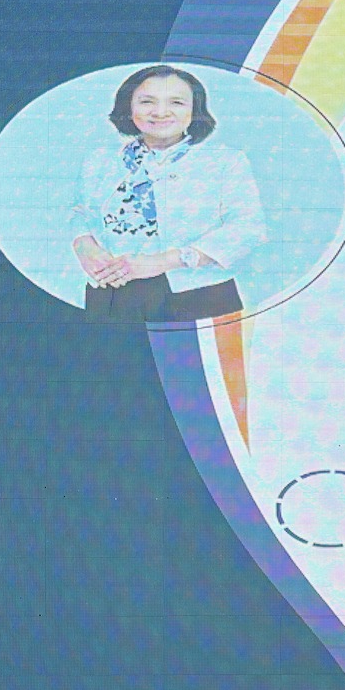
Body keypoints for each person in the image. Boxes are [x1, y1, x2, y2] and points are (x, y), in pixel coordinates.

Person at [72, 65, 264, 436]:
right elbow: (80, 212)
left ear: (195, 111)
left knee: (197, 417)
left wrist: (163, 262)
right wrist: (85, 247)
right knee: (113, 408)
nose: (160, 112)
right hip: (111, 294)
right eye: (147, 101)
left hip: (196, 295)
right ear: (128, 107)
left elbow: (248, 228)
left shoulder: (224, 160)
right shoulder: (101, 159)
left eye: (176, 102)